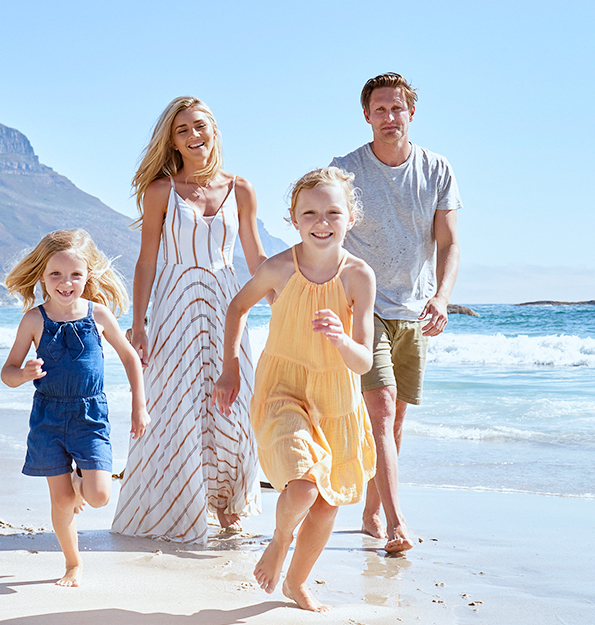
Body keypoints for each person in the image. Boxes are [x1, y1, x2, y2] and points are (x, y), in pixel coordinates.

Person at [213, 167, 377, 613]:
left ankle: (297, 582)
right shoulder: (279, 268)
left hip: (336, 398)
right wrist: (230, 367)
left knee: (327, 504)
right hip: (284, 389)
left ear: (350, 217)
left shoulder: (358, 276)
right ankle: (280, 540)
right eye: (310, 213)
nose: (321, 222)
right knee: (303, 487)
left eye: (332, 212)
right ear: (294, 218)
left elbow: (364, 359)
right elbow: (236, 308)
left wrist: (342, 340)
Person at [112, 96, 267, 543]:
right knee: (177, 405)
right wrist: (138, 323)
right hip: (175, 304)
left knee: (235, 405)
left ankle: (228, 502)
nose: (194, 135)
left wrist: (284, 295)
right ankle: (182, 503)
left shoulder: (241, 189)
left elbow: (255, 255)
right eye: (183, 130)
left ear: (214, 130)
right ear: (173, 142)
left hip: (225, 304)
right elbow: (146, 262)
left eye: (200, 126)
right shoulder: (160, 191)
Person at [331, 72, 460, 552]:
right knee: (382, 414)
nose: (389, 117)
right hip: (364, 308)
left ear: (411, 113)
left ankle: (370, 512)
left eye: (397, 108)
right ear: (367, 116)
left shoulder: (437, 169)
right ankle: (397, 521)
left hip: (413, 311)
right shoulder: (345, 171)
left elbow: (449, 244)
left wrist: (442, 297)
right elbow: (324, 231)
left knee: (395, 420)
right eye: (380, 110)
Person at [2, 229, 148, 587]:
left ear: (88, 276)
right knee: (62, 501)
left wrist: (138, 407)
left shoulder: (97, 314)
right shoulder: (34, 320)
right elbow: (7, 372)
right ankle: (73, 564)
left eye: (75, 275)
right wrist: (24, 374)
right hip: (48, 418)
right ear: (41, 276)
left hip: (90, 416)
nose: (65, 283)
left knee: (98, 495)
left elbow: (130, 357)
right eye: (56, 274)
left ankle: (78, 478)